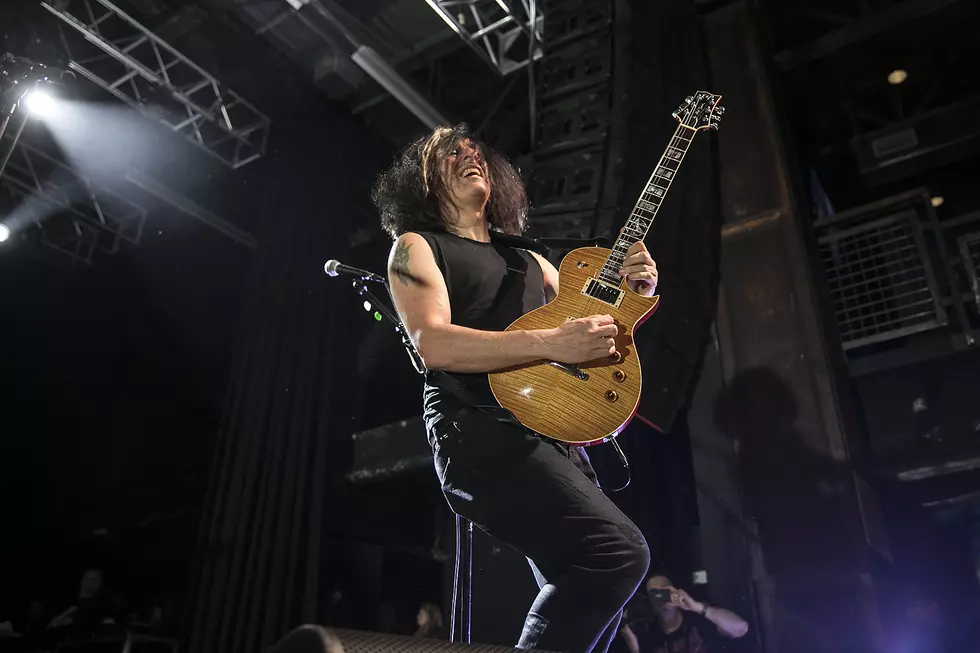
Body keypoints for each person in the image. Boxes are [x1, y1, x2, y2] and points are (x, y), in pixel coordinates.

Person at [372, 124, 659, 653]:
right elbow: (434, 344)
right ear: (423, 181)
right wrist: (553, 341)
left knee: (599, 601)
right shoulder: (416, 246)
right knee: (618, 552)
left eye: (474, 149)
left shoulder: (530, 258)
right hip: (478, 431)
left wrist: (636, 288)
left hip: (553, 435)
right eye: (449, 153)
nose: (468, 155)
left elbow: (597, 321)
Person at [618, 574, 748, 653]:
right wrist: (634, 647)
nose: (661, 598)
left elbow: (741, 628)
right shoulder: (650, 636)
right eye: (655, 594)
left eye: (665, 591)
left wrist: (697, 607)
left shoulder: (699, 621)